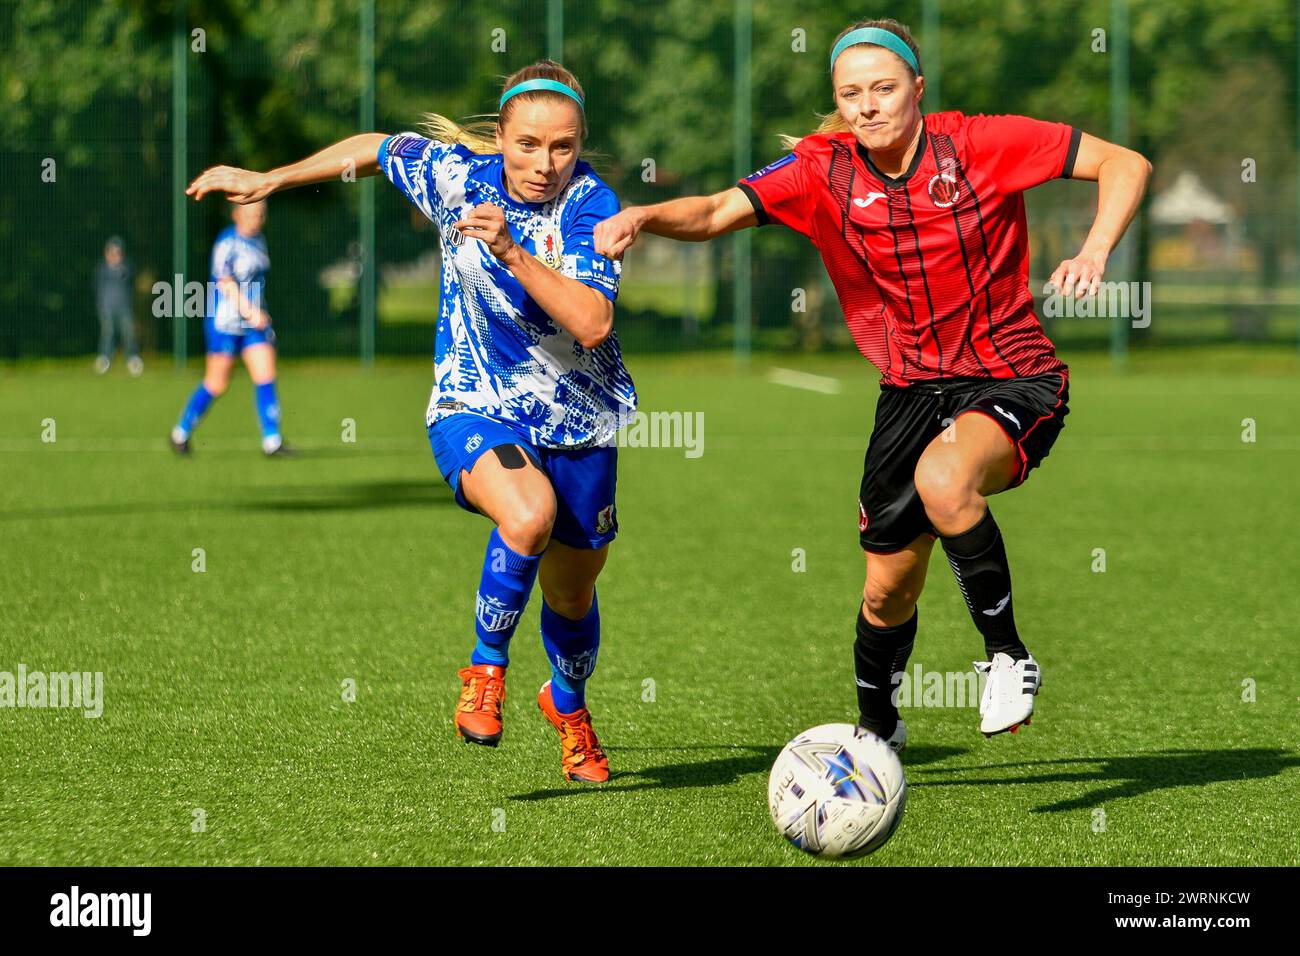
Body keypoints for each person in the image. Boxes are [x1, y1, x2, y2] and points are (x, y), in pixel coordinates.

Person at [595, 18, 1152, 749]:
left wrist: (1096, 248)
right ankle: (876, 734)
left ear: (917, 89)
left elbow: (1125, 162)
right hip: (910, 391)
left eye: (883, 88)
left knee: (945, 480)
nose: (867, 105)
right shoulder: (823, 169)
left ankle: (1009, 657)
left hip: (1012, 374)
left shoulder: (980, 143)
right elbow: (715, 211)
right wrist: (643, 214)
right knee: (887, 591)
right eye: (850, 93)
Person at [185, 60, 634, 782]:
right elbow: (373, 147)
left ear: (581, 143)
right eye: (526, 144)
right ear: (502, 134)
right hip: (472, 405)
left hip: (579, 421)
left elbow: (591, 321)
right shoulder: (459, 173)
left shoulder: (591, 204)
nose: (543, 164)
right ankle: (485, 670)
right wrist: (270, 179)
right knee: (527, 517)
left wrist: (512, 251)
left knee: (573, 591)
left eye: (562, 146)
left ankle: (569, 707)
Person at [170, 200, 288, 456]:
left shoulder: (259, 241)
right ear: (236, 214)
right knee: (216, 383)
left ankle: (272, 441)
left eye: (260, 214)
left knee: (265, 375)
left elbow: (256, 284)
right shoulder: (227, 243)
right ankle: (181, 432)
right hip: (225, 323)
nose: (257, 218)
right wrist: (250, 312)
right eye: (251, 214)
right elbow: (225, 283)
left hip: (253, 325)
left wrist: (259, 313)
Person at [94, 237, 142, 376]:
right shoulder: (101, 269)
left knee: (128, 333)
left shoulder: (127, 267)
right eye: (111, 252)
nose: (114, 255)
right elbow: (96, 287)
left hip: (124, 307)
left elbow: (132, 280)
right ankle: (104, 360)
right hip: (106, 308)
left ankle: (133, 359)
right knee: (107, 333)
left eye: (117, 252)